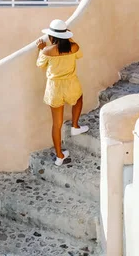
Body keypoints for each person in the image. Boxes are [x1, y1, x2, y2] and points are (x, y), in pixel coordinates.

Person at [36, 19, 89, 166]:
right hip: (71, 83)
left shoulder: (47, 51)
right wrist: (69, 38)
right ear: (66, 35)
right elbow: (80, 55)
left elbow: (40, 64)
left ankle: (59, 156)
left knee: (56, 124)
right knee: (79, 100)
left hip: (54, 88)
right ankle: (75, 126)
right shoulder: (74, 47)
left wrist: (41, 48)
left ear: (52, 37)